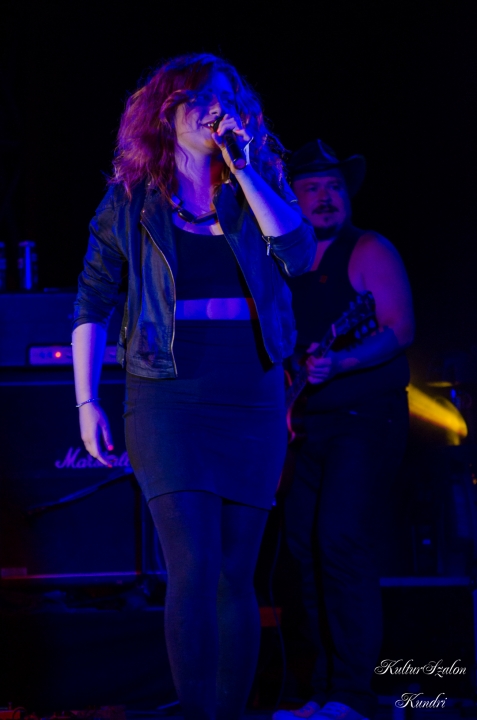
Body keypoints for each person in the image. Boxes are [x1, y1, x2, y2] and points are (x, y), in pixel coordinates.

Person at [72, 54, 316, 720]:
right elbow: (92, 301)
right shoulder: (130, 200)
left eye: (226, 97)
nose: (216, 108)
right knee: (194, 565)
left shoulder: (257, 180)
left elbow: (298, 256)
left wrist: (245, 168)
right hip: (166, 393)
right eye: (201, 97)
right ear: (166, 110)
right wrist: (87, 400)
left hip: (251, 392)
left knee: (236, 572)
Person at [274, 140, 415, 720]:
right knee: (302, 548)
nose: (326, 197)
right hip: (307, 426)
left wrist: (344, 362)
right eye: (311, 188)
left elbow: (399, 328)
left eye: (333, 186)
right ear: (292, 200)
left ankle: (354, 695)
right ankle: (321, 690)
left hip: (364, 418)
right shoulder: (283, 263)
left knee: (339, 540)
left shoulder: (369, 249)